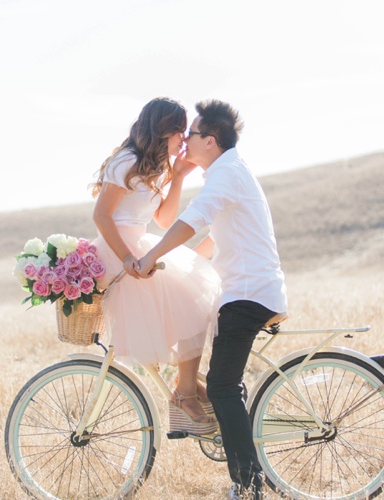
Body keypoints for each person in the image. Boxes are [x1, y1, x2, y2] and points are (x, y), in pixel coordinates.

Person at [137, 99, 287, 499]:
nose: (184, 141)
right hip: (244, 291)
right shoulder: (228, 171)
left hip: (248, 295)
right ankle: (232, 445)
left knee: (221, 386)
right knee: (224, 383)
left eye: (191, 135)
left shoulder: (227, 174)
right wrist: (175, 263)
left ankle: (249, 483)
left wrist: (153, 255)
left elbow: (195, 219)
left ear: (211, 139)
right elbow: (214, 240)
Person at [91, 97, 219, 435]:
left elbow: (162, 220)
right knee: (190, 304)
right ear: (164, 130)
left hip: (141, 245)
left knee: (193, 304)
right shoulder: (126, 161)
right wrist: (127, 258)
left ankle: (185, 385)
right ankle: (186, 392)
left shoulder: (156, 166)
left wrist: (176, 177)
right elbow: (101, 216)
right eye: (180, 131)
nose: (183, 139)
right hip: (117, 249)